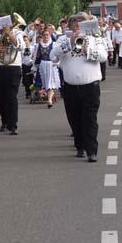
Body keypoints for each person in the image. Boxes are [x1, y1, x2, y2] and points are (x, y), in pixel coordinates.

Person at [51, 12, 108, 162]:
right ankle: (80, 146)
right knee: (74, 119)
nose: (77, 27)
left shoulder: (95, 38)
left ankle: (91, 151)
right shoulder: (63, 39)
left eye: (80, 24)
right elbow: (53, 56)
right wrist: (69, 42)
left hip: (91, 86)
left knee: (89, 119)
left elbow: (103, 56)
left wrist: (86, 49)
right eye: (74, 25)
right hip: (70, 87)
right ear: (70, 26)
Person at [34, 30, 61, 108]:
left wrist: (57, 63)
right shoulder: (39, 45)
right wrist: (35, 66)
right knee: (46, 83)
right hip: (43, 65)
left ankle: (49, 100)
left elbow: (58, 54)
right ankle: (49, 98)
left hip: (51, 64)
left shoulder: (54, 44)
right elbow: (36, 56)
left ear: (49, 35)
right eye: (44, 35)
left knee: (50, 83)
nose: (46, 36)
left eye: (47, 35)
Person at [21, 35, 35, 99]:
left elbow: (34, 56)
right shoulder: (21, 49)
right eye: (24, 41)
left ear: (29, 41)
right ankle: (28, 93)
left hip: (31, 65)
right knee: (26, 80)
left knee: (32, 79)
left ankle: (33, 92)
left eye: (26, 40)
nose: (25, 42)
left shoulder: (32, 48)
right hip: (24, 65)